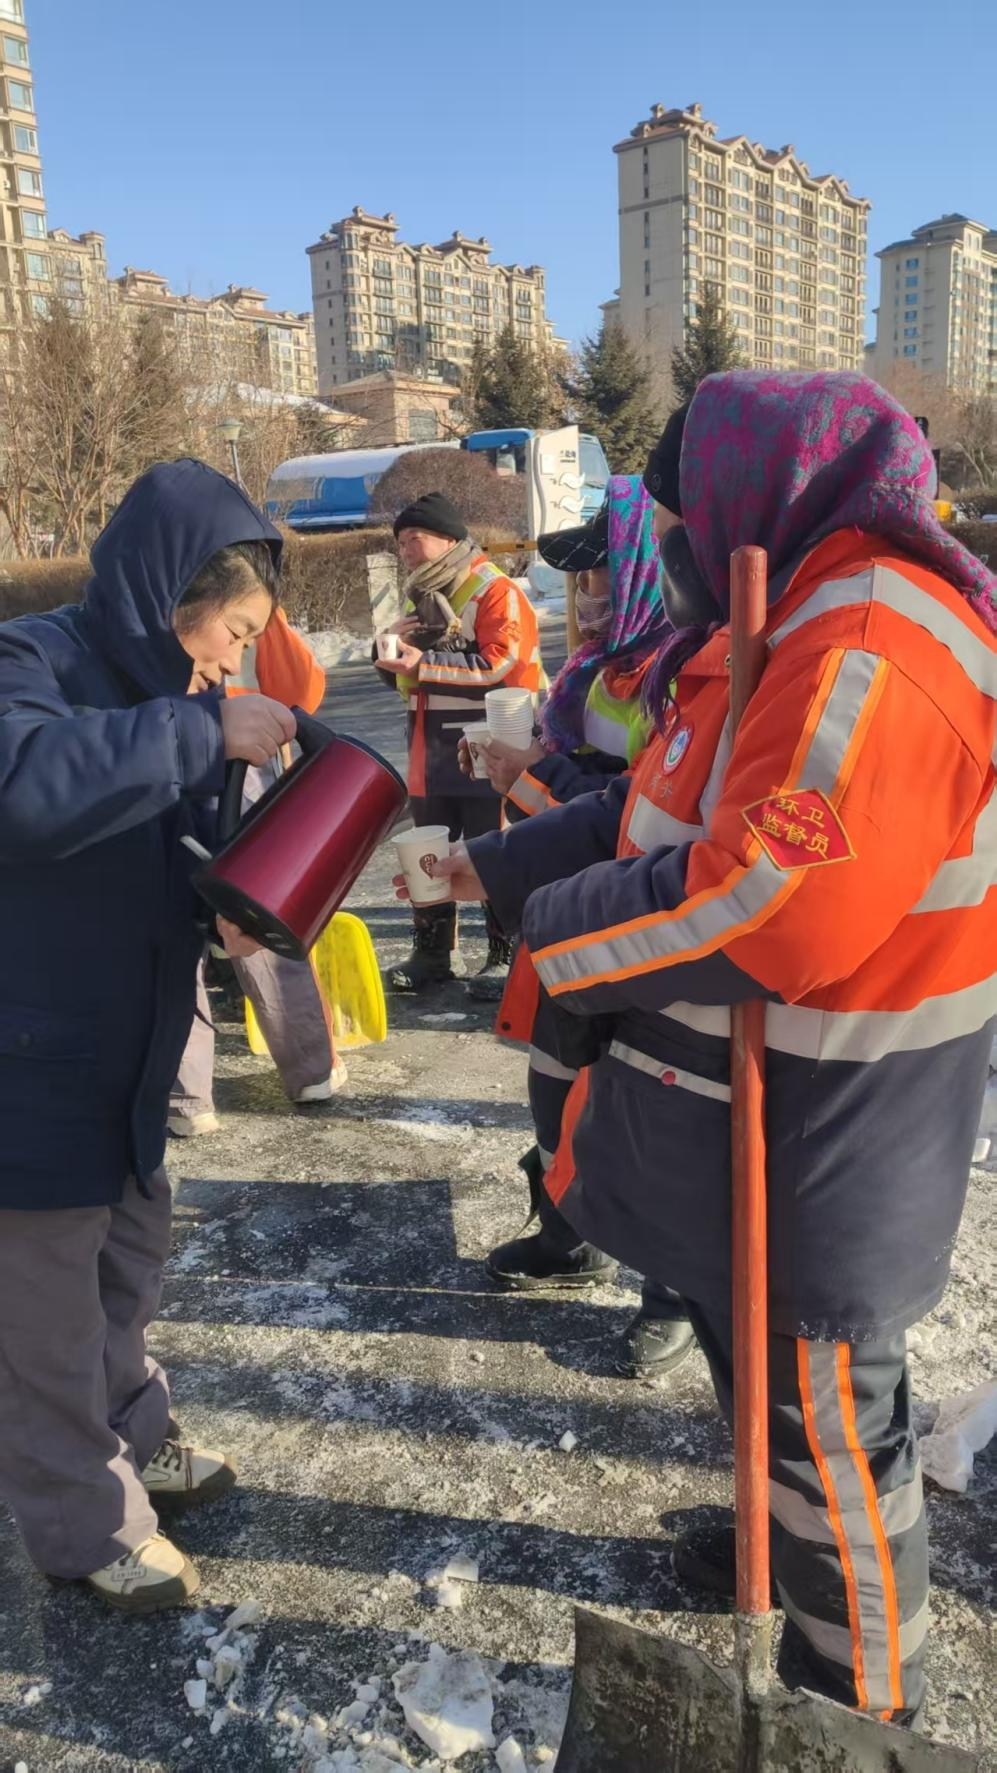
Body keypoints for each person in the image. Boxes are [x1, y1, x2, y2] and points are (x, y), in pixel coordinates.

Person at [422, 373, 997, 1723]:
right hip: (757, 1111)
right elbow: (653, 805)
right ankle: (771, 1555)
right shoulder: (775, 619)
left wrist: (553, 935)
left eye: (676, 517)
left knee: (828, 1428)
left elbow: (774, 902)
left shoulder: (867, 643)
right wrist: (494, 868)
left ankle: (854, 1705)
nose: (667, 544)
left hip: (835, 1123)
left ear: (744, 499)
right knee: (762, 1390)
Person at [0, 459, 295, 1613]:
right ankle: (83, 1524)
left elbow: (156, 858)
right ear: (171, 596)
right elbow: (26, 791)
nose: (233, 661)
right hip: (31, 1068)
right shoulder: (32, 661)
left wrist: (228, 905)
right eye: (233, 633)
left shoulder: (175, 698)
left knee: (128, 1272)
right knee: (45, 1323)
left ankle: (139, 1437)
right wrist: (197, 730)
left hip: (130, 1062)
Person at [467, 474, 694, 1379]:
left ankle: (671, 1293)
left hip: (638, 930)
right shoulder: (601, 665)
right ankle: (569, 1234)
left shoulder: (684, 672)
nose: (585, 596)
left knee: (648, 1109)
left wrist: (534, 774)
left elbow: (631, 809)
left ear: (640, 569)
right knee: (555, 1086)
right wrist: (520, 773)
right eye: (577, 580)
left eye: (599, 575)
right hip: (569, 918)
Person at [168, 607, 345, 1133]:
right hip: (243, 757)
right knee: (260, 904)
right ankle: (310, 1069)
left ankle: (187, 1098)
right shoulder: (248, 598)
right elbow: (302, 689)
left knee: (170, 923)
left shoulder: (141, 611)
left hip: (160, 752)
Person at [374, 490, 543, 999]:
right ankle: (431, 955)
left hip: (489, 746)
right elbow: (405, 676)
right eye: (400, 542)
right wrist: (384, 652)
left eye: (414, 538)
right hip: (430, 747)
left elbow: (502, 664)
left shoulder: (495, 591)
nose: (405, 550)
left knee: (493, 846)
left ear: (448, 540)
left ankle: (505, 953)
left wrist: (421, 663)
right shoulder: (422, 594)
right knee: (427, 848)